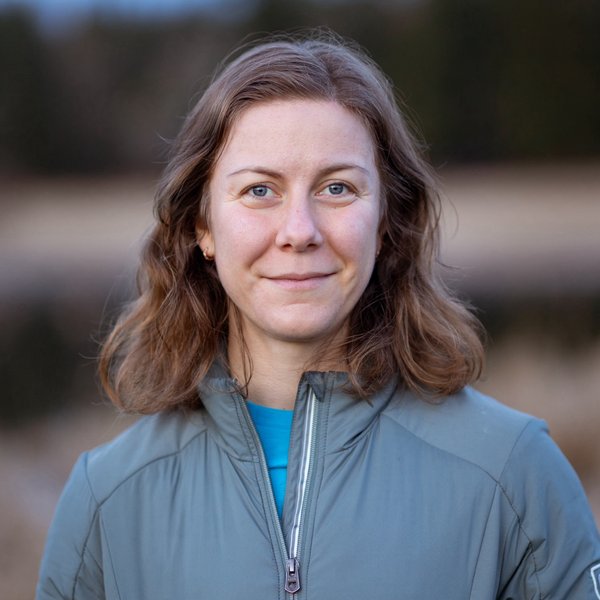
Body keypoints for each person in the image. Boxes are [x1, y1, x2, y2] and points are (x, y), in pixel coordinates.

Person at [37, 32, 600, 599]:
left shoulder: (513, 474)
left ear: (385, 222)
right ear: (201, 225)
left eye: (337, 188)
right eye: (260, 190)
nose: (299, 231)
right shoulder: (107, 500)